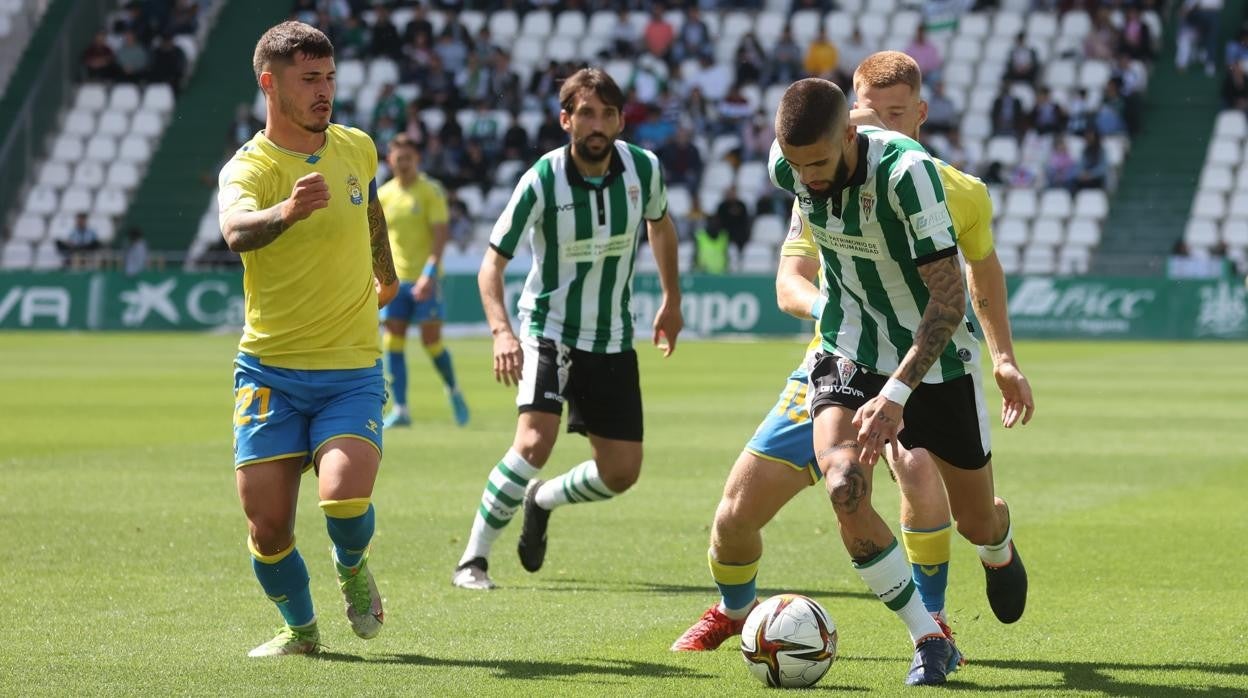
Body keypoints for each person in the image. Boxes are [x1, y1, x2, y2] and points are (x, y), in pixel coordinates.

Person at [672, 65, 1029, 687]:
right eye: (796, 165)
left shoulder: (910, 177)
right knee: (845, 484)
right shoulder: (789, 169)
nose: (805, 178)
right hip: (847, 348)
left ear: (848, 136)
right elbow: (795, 273)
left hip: (936, 361)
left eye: (817, 163)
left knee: (972, 518)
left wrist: (899, 393)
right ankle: (929, 636)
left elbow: (948, 305)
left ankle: (996, 543)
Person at [451, 68, 683, 590]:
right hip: (548, 329)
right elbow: (492, 264)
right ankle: (473, 559)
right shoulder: (542, 178)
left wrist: (672, 297)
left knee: (622, 471)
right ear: (565, 119)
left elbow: (661, 223)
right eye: (585, 113)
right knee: (534, 441)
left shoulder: (644, 170)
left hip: (613, 337)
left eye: (606, 113)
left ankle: (543, 498)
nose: (596, 124)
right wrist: (502, 333)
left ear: (621, 121)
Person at [215, 20, 400, 657]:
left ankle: (352, 567)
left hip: (349, 368)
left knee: (345, 498)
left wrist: (387, 269)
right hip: (269, 371)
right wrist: (286, 212)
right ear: (270, 83)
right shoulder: (251, 166)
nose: (325, 92)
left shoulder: (357, 147)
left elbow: (370, 205)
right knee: (267, 529)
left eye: (329, 78)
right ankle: (301, 630)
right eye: (309, 80)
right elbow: (236, 231)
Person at [377, 132, 469, 428]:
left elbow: (440, 236)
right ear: (390, 160)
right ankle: (401, 409)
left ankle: (453, 389)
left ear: (417, 159)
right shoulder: (385, 194)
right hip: (395, 282)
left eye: (408, 158)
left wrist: (429, 275)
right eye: (398, 158)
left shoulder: (431, 191)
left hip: (425, 280)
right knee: (393, 342)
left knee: (432, 343)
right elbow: (378, 240)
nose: (403, 163)